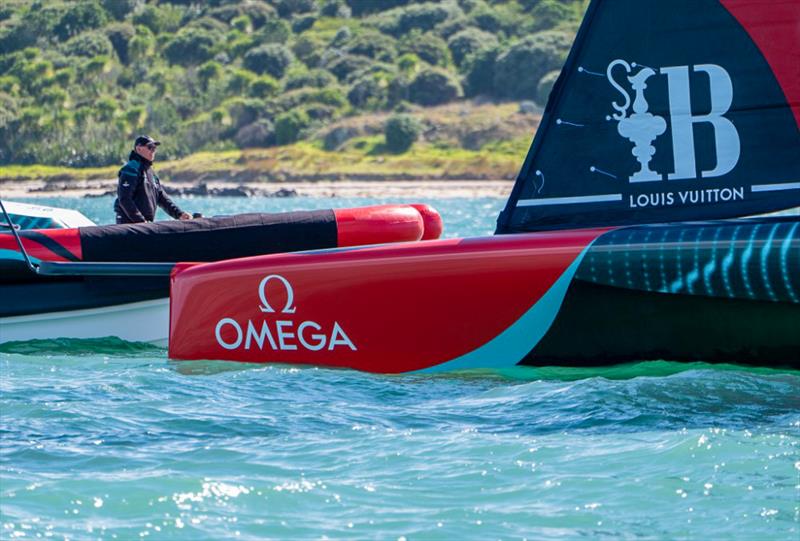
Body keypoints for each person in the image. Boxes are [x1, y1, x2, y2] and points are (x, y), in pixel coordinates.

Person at [114, 135, 191, 224]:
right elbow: (124, 199)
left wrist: (179, 214)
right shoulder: (131, 168)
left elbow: (162, 198)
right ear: (139, 149)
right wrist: (140, 221)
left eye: (154, 148)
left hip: (145, 225)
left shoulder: (150, 172)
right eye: (150, 147)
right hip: (129, 226)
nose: (153, 151)